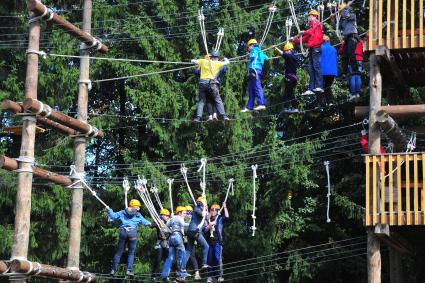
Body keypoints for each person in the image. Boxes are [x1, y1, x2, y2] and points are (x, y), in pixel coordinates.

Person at [107, 199, 151, 277]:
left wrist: (109, 209)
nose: (139, 208)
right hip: (132, 234)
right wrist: (151, 224)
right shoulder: (138, 214)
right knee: (131, 253)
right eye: (138, 207)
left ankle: (113, 270)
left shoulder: (122, 212)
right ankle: (129, 270)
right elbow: (146, 222)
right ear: (135, 206)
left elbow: (113, 216)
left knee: (118, 252)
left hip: (123, 233)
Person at [191, 50, 230, 122]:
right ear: (217, 58)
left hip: (202, 83)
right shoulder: (218, 63)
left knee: (201, 101)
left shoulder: (203, 61)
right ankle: (224, 116)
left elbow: (193, 61)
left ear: (211, 57)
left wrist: (196, 63)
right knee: (217, 99)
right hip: (212, 84)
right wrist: (225, 59)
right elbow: (227, 63)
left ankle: (198, 118)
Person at [292, 10, 324, 95]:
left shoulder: (317, 23)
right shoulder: (311, 28)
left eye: (310, 16)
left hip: (316, 48)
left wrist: (303, 32)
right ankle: (311, 88)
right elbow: (304, 38)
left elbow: (310, 31)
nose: (308, 18)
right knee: (311, 69)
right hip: (312, 49)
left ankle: (320, 86)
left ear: (314, 16)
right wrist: (294, 40)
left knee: (316, 67)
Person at [161, 206, 190, 282]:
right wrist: (191, 224)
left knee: (170, 257)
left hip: (171, 238)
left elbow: (165, 226)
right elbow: (183, 224)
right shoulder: (179, 218)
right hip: (178, 237)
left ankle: (164, 274)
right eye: (184, 213)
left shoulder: (172, 218)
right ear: (179, 213)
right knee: (182, 254)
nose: (185, 215)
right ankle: (181, 273)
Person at [240, 38, 269, 112]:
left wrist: (249, 54)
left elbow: (252, 56)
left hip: (254, 69)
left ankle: (261, 104)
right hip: (255, 70)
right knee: (251, 89)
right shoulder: (260, 51)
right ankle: (249, 106)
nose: (248, 48)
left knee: (257, 86)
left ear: (251, 45)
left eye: (248, 47)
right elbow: (267, 58)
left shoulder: (254, 49)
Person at [182, 196, 209, 272]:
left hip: (191, 232)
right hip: (194, 231)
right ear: (201, 204)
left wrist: (205, 208)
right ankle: (204, 263)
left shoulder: (198, 209)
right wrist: (204, 206)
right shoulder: (197, 209)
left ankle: (182, 267)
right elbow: (203, 215)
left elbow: (206, 216)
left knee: (188, 250)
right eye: (203, 204)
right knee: (206, 246)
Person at [205, 203, 230, 283]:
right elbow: (204, 229)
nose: (212, 211)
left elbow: (227, 217)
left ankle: (219, 275)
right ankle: (209, 277)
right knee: (209, 260)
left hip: (218, 242)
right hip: (209, 242)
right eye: (211, 210)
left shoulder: (219, 218)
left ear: (218, 211)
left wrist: (225, 207)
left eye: (214, 210)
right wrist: (209, 224)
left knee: (217, 258)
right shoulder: (208, 219)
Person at [332, 1, 357, 79]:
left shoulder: (352, 16)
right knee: (344, 56)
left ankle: (355, 70)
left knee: (351, 54)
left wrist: (342, 10)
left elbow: (347, 15)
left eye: (342, 12)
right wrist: (332, 19)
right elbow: (336, 27)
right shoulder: (343, 21)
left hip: (353, 36)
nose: (341, 14)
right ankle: (343, 72)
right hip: (346, 38)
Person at [273, 42, 299, 113]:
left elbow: (282, 54)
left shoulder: (290, 56)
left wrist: (275, 48)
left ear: (290, 50)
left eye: (287, 50)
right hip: (292, 78)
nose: (286, 52)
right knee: (287, 93)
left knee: (290, 93)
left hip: (290, 78)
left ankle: (295, 107)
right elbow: (283, 55)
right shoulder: (294, 57)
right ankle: (286, 107)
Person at [151, 209, 171, 283]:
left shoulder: (169, 222)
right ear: (162, 216)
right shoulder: (159, 222)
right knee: (158, 260)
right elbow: (151, 226)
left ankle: (165, 276)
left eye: (168, 216)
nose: (167, 217)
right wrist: (157, 221)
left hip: (167, 243)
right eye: (166, 216)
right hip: (160, 243)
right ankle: (154, 276)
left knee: (167, 260)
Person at [184, 205, 201, 280]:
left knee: (188, 256)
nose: (188, 213)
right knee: (191, 256)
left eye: (188, 212)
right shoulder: (193, 218)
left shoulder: (187, 218)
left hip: (187, 240)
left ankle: (196, 273)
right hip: (187, 240)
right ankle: (196, 273)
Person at [321, 35, 338, 106]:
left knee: (320, 87)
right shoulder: (334, 49)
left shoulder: (321, 48)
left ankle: (321, 103)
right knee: (328, 86)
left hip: (324, 71)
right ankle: (329, 101)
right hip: (332, 72)